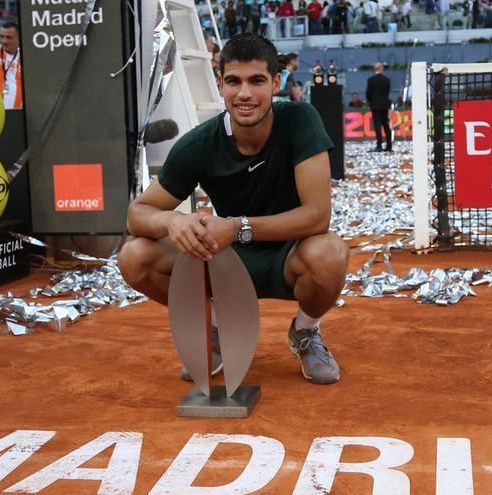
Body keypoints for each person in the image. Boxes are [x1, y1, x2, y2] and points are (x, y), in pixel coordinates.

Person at [118, 33, 348, 385]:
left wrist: (238, 227)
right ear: (220, 84)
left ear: (275, 83)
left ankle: (305, 331)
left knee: (330, 253)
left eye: (256, 81)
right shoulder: (199, 144)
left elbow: (317, 215)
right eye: (234, 81)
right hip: (224, 259)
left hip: (290, 255)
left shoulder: (301, 119)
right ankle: (215, 327)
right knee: (134, 257)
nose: (244, 94)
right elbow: (137, 215)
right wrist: (172, 220)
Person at [365, 62, 391, 152]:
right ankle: (389, 145)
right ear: (381, 68)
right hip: (384, 105)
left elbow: (368, 93)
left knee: (377, 126)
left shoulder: (371, 80)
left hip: (375, 105)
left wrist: (371, 101)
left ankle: (379, 145)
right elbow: (387, 91)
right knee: (386, 125)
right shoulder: (386, 79)